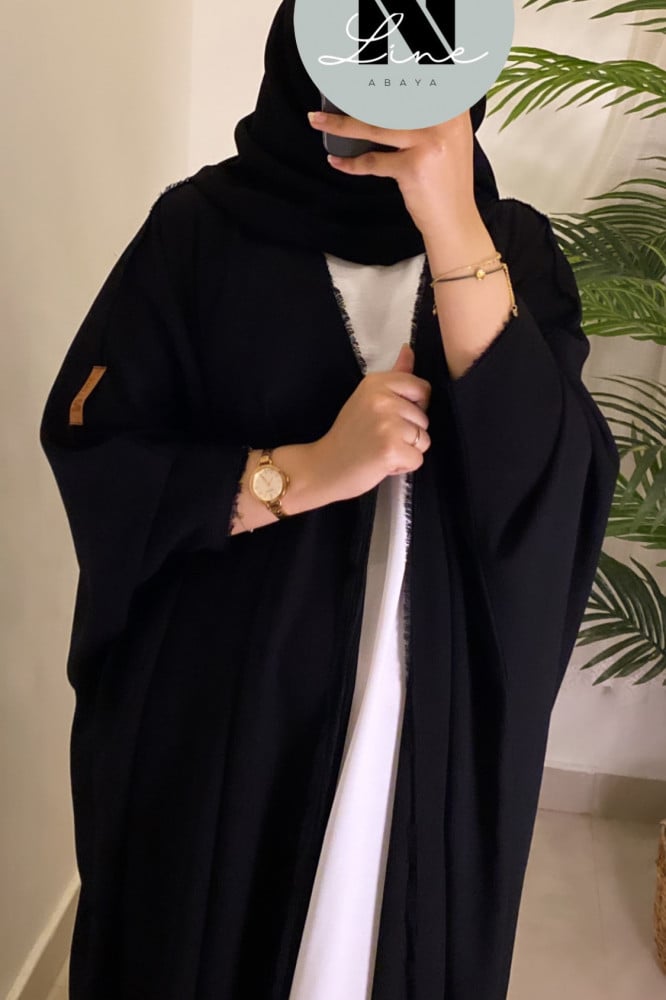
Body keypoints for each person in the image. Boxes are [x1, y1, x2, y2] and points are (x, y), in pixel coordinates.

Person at [39, 1, 620, 997]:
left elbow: (547, 490)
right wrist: (301, 471)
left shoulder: (513, 247)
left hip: (421, 727)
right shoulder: (199, 232)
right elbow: (99, 447)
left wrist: (450, 218)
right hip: (225, 723)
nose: (387, 75)